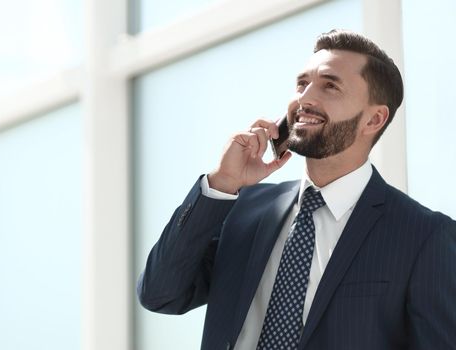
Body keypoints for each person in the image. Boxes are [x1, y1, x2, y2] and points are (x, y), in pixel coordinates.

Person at [137, 29, 456, 350]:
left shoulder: (424, 237)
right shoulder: (244, 209)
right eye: (302, 84)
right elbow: (160, 294)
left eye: (330, 85)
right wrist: (221, 183)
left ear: (374, 119)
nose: (303, 99)